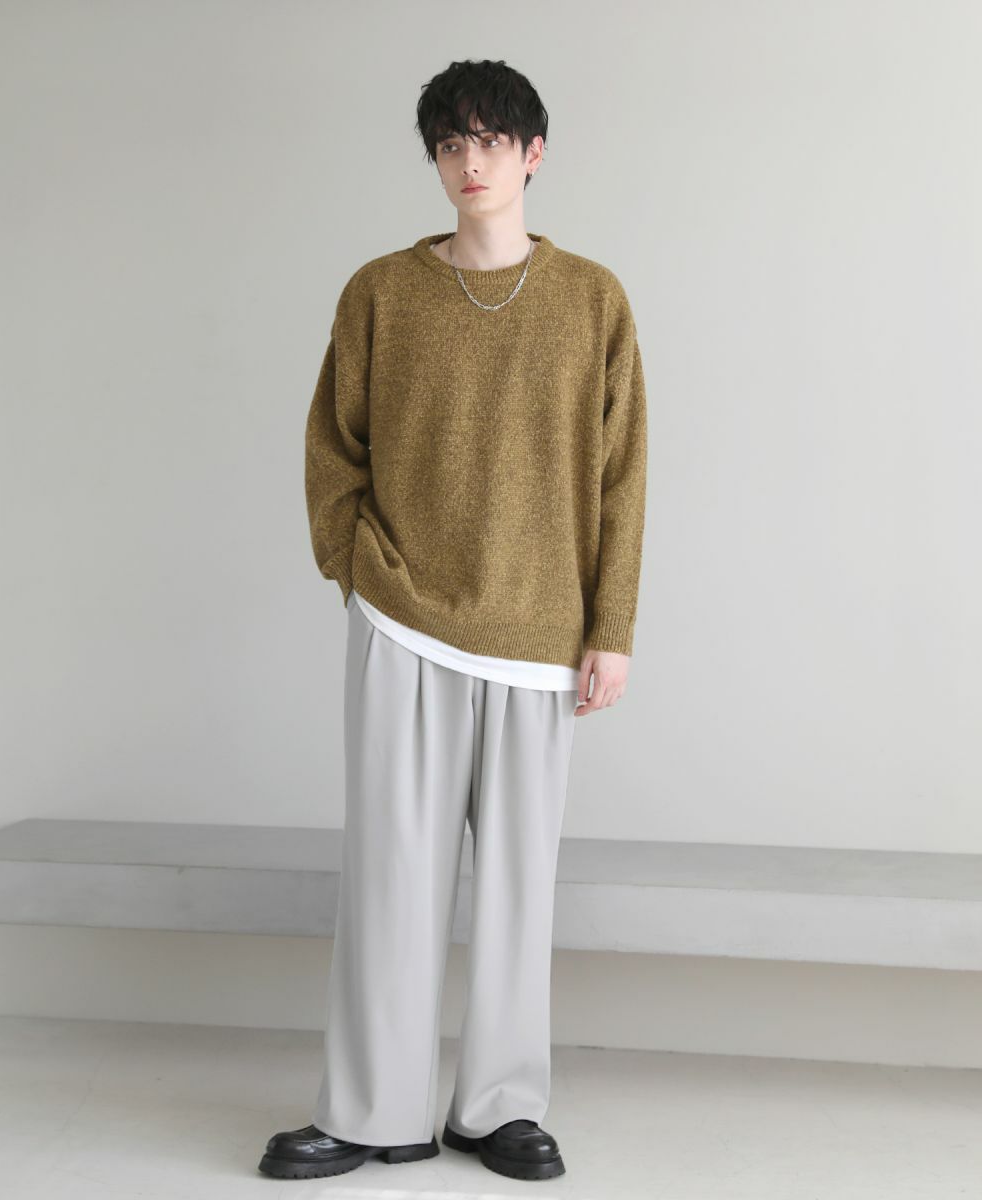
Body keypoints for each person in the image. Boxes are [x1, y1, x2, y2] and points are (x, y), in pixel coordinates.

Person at [259, 57, 647, 1183]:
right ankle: (371, 1111)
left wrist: (610, 627)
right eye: (450, 144)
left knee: (520, 892)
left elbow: (622, 476)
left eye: (490, 140)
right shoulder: (380, 293)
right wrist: (357, 573)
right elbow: (331, 447)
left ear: (533, 154)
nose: (470, 162)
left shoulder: (593, 300)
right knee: (390, 878)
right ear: (434, 160)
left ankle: (500, 1108)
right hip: (405, 622)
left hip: (540, 634)